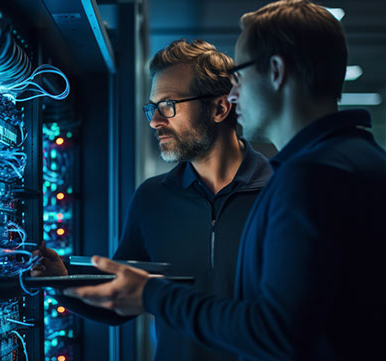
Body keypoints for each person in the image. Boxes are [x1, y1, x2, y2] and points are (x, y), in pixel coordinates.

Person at [63, 1, 386, 360]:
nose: (235, 94)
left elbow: (277, 331)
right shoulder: (357, 160)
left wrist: (154, 295)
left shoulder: (308, 178)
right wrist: (58, 281)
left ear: (276, 71)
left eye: (241, 75)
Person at [32, 39, 272, 361]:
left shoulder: (279, 193)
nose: (155, 121)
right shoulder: (153, 198)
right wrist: (62, 282)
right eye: (152, 107)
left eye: (168, 105)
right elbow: (120, 302)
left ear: (219, 107)